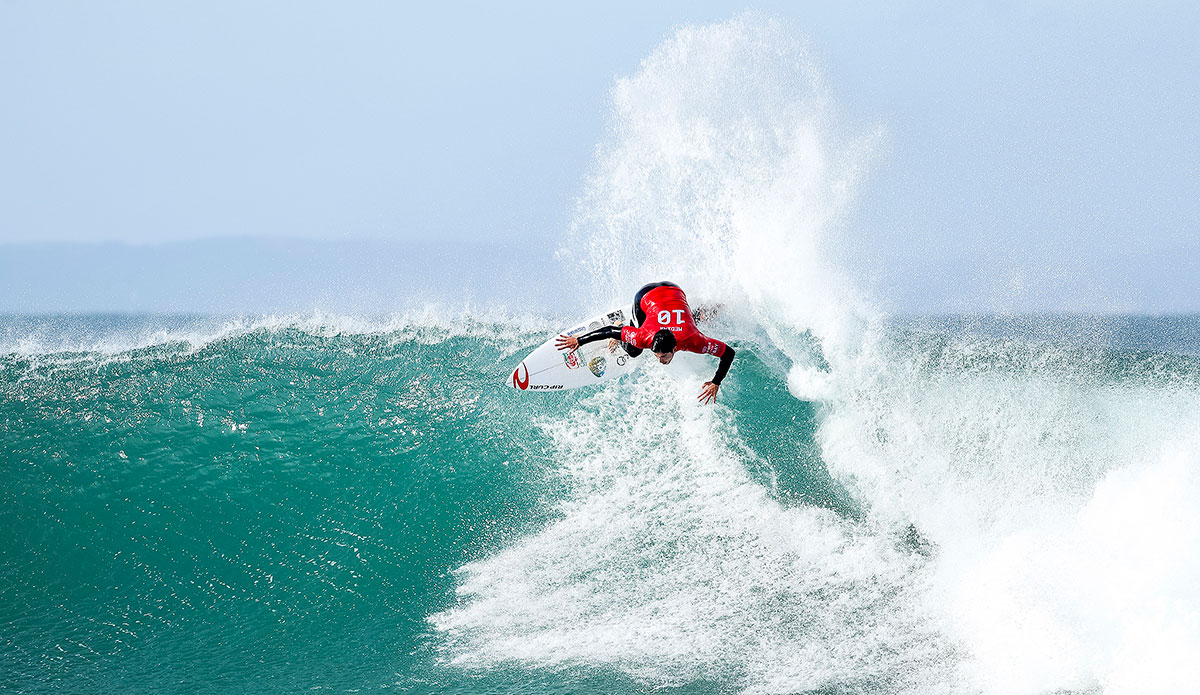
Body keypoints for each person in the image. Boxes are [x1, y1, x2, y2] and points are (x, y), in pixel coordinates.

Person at [554, 281, 735, 404]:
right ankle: (622, 324)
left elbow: (728, 353)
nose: (660, 361)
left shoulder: (694, 341)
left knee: (691, 324)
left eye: (663, 356)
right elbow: (609, 331)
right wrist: (579, 340)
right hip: (645, 296)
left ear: (675, 348)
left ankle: (708, 310)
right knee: (634, 351)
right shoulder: (643, 337)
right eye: (657, 356)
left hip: (675, 291)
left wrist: (716, 381)